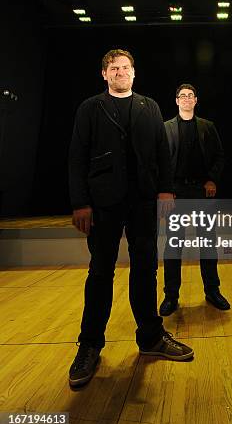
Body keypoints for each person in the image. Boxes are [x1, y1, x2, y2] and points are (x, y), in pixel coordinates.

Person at [68, 49, 193, 388]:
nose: (120, 72)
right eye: (113, 68)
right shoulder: (90, 108)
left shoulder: (149, 106)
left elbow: (162, 153)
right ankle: (90, 344)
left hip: (143, 203)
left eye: (125, 67)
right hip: (103, 204)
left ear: (133, 74)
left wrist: (166, 191)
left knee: (146, 271)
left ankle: (151, 338)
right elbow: (77, 157)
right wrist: (81, 202)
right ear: (104, 74)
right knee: (99, 273)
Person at [159, 83, 230, 316]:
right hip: (175, 194)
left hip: (202, 193)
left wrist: (212, 180)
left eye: (191, 96)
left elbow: (219, 156)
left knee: (208, 243)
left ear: (196, 100)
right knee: (173, 245)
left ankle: (212, 291)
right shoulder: (165, 127)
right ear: (177, 101)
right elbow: (159, 162)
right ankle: (171, 296)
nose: (187, 99)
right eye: (183, 96)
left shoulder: (207, 127)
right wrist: (166, 190)